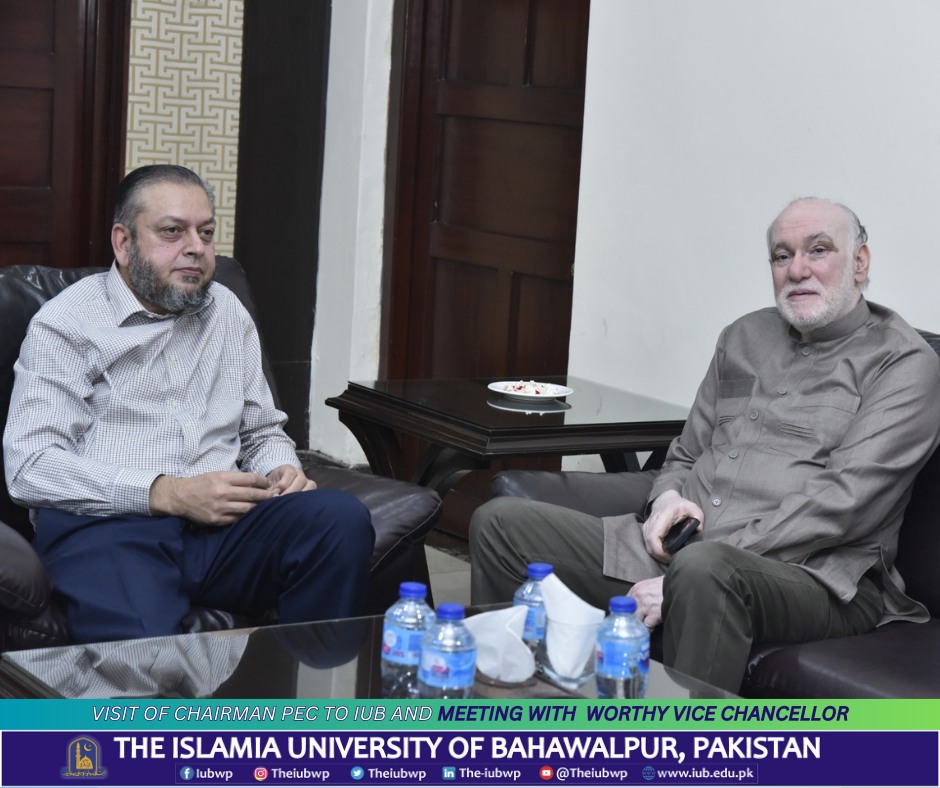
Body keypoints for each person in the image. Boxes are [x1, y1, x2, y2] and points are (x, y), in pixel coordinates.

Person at [470, 197, 940, 692]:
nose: (797, 269)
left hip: (815, 578)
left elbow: (844, 504)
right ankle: (515, 716)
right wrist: (666, 499)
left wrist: (685, 573)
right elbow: (686, 453)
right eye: (782, 256)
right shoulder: (743, 336)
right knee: (501, 525)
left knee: (704, 567)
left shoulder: (903, 363)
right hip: (682, 552)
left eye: (818, 250)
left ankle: (679, 743)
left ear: (860, 262)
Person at [3, 165, 375, 643]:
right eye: (172, 231)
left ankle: (310, 686)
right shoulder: (67, 323)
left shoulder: (226, 312)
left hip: (224, 528)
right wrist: (167, 493)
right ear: (123, 243)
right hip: (109, 530)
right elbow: (31, 465)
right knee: (147, 654)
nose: (196, 247)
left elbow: (260, 430)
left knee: (337, 520)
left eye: (206, 232)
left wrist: (280, 468)